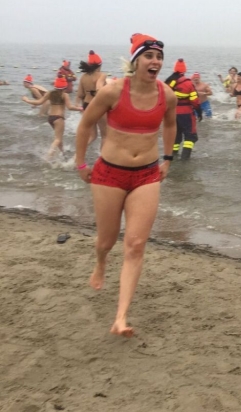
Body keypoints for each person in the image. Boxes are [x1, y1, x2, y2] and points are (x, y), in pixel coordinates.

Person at [74, 34, 177, 337]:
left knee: (135, 244)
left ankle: (121, 317)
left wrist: (168, 159)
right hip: (109, 174)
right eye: (149, 56)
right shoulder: (113, 92)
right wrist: (81, 164)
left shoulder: (167, 95)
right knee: (106, 241)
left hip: (146, 175)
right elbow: (85, 124)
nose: (155, 62)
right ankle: (101, 262)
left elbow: (170, 124)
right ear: (136, 61)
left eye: (159, 57)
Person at [21, 76, 81, 157]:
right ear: (65, 87)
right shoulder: (65, 95)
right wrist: (80, 108)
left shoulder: (50, 93)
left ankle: (63, 153)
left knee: (58, 137)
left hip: (50, 118)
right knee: (58, 139)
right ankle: (48, 156)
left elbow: (39, 102)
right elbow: (70, 107)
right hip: (59, 118)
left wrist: (27, 100)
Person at [165, 59, 202, 159]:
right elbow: (195, 101)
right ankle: (185, 160)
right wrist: (199, 112)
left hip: (171, 113)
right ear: (184, 70)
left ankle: (172, 158)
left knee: (176, 136)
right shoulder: (188, 83)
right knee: (190, 137)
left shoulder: (168, 82)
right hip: (186, 113)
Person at [76, 50, 108, 147]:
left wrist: (81, 108)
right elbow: (100, 88)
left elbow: (80, 94)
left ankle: (77, 154)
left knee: (93, 136)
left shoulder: (83, 77)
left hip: (86, 105)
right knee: (105, 136)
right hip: (98, 105)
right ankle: (103, 156)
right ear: (99, 65)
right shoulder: (102, 75)